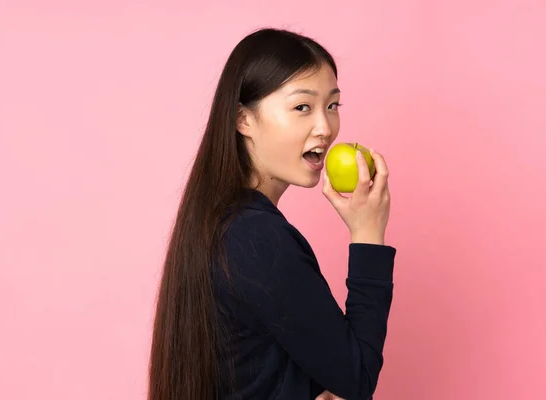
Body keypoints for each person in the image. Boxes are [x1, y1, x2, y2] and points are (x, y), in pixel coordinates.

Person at [148, 27, 396, 400]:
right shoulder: (259, 237)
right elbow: (356, 378)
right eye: (302, 107)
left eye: (332, 106)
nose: (325, 128)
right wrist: (368, 235)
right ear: (243, 120)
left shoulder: (225, 222)